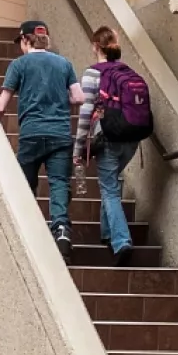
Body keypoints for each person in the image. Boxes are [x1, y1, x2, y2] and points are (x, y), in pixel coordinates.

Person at [0, 19, 83, 246]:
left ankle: (28, 230)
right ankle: (62, 230)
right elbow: (79, 97)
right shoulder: (64, 64)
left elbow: (1, 106)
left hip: (31, 134)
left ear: (26, 39)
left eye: (20, 42)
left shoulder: (19, 65)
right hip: (60, 134)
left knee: (25, 182)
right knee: (59, 183)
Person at [73, 27, 152, 258]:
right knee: (111, 184)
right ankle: (107, 233)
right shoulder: (128, 71)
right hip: (132, 138)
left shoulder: (92, 73)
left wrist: (79, 148)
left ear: (95, 46)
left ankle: (121, 241)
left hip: (108, 137)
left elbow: (86, 112)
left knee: (109, 189)